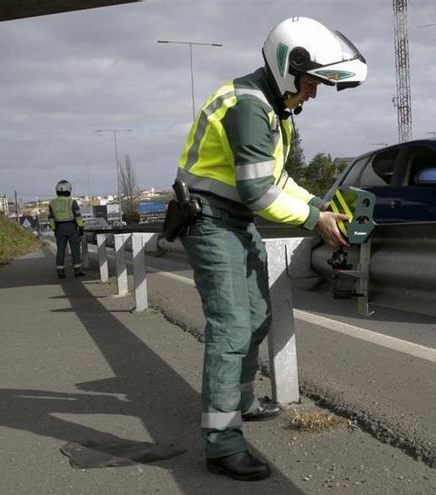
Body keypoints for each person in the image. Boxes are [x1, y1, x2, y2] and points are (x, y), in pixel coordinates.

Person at [174, 17, 366, 481]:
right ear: (289, 68)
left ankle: (239, 397)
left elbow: (278, 181)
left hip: (233, 219)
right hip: (210, 222)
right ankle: (221, 441)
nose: (313, 94)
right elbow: (260, 193)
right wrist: (314, 220)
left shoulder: (272, 110)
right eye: (311, 83)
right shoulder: (248, 108)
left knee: (258, 314)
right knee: (232, 327)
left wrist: (319, 205)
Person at [48, 179, 85, 279]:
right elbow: (78, 216)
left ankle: (60, 272)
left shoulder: (52, 203)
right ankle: (77, 271)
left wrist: (54, 229)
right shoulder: (72, 202)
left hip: (59, 228)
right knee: (75, 250)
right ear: (68, 190)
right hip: (72, 228)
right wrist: (81, 227)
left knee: (60, 251)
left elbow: (51, 218)